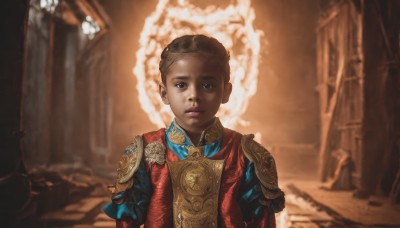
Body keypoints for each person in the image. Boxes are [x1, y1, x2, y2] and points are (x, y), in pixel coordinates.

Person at [103, 34, 285, 227]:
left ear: (226, 92)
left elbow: (262, 222)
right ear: (164, 93)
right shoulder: (143, 153)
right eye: (181, 85)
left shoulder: (246, 156)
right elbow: (126, 221)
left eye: (207, 85)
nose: (194, 95)